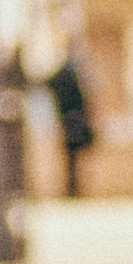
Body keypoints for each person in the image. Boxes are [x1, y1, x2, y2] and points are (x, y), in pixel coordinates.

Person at [45, 45, 96, 200]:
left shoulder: (69, 73)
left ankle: (74, 190)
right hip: (72, 120)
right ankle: (73, 190)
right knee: (72, 159)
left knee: (73, 159)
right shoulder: (71, 74)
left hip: (70, 120)